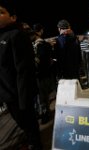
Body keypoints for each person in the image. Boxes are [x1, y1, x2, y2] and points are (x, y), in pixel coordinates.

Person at [0, 0, 42, 149]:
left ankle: (34, 145)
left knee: (29, 125)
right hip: (7, 95)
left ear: (13, 17)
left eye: (1, 12)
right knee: (23, 124)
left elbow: (24, 70)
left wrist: (24, 100)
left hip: (19, 96)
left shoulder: (17, 35)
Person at [32, 23, 55, 124]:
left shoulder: (34, 45)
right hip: (44, 74)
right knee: (44, 96)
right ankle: (45, 114)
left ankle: (42, 114)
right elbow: (49, 60)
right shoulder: (44, 45)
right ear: (40, 31)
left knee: (40, 97)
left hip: (37, 74)